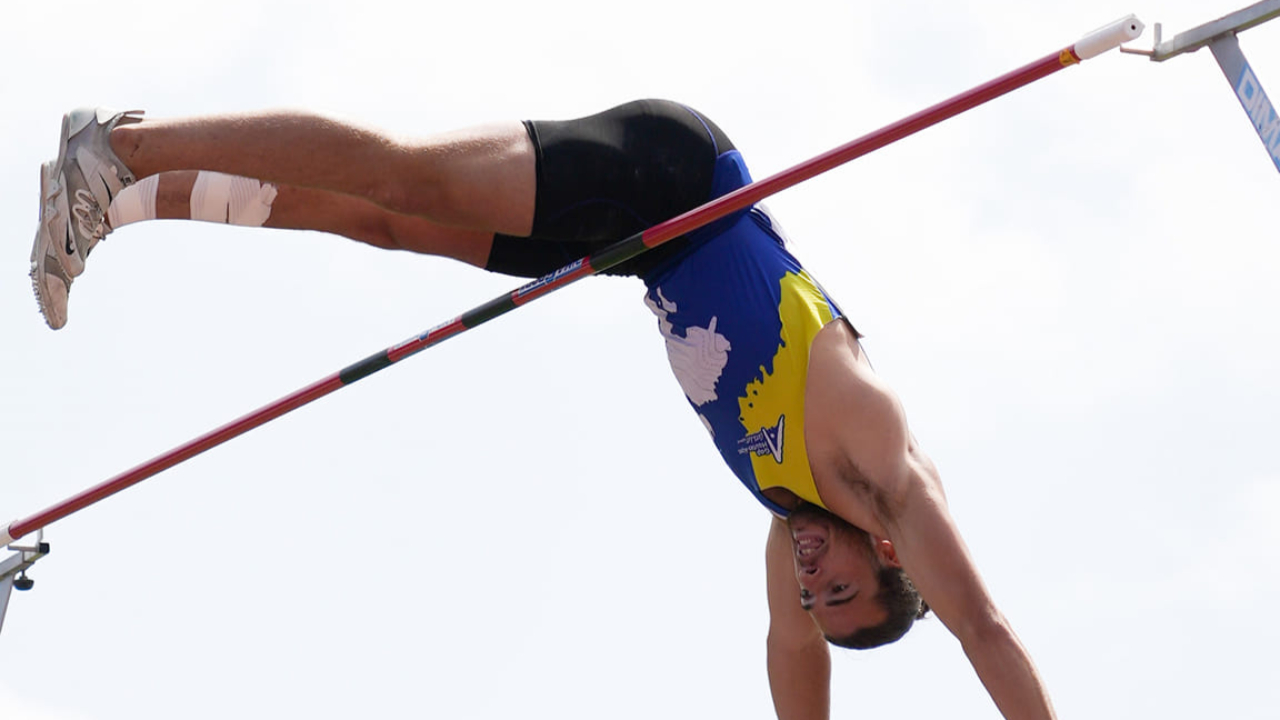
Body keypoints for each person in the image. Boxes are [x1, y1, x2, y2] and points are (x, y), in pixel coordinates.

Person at [29, 100, 1056, 719]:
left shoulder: (788, 510)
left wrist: (815, 627)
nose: (807, 587)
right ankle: (122, 143)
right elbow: (984, 627)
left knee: (390, 222)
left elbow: (792, 665)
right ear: (889, 554)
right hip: (673, 179)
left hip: (643, 244)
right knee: (408, 171)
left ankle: (120, 201)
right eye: (835, 591)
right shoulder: (879, 468)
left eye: (813, 601)